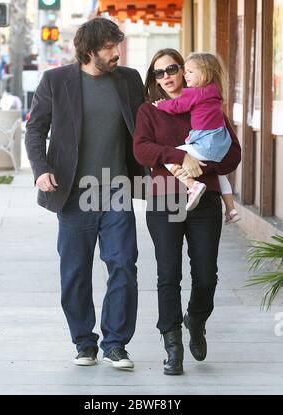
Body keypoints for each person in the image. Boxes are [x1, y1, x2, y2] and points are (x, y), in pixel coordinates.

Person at [25, 17, 145, 370]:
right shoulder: (56, 80)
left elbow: (146, 127)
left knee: (123, 263)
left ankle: (116, 344)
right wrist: (41, 169)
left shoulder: (129, 80)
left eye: (117, 45)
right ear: (90, 50)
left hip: (117, 189)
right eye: (109, 47)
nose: (116, 53)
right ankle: (83, 341)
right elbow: (35, 131)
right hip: (74, 192)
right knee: (75, 271)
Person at [133, 49, 241, 375]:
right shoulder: (150, 111)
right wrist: (179, 157)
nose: (166, 76)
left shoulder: (208, 105)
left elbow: (232, 154)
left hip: (204, 202)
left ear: (186, 70)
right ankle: (172, 345)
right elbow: (141, 150)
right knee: (168, 275)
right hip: (165, 200)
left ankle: (195, 318)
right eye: (158, 72)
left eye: (172, 69)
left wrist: (203, 163)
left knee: (206, 275)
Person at [154, 52, 240, 223]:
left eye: (190, 71)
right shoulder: (214, 91)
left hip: (205, 142)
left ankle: (192, 184)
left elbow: (177, 106)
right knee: (220, 174)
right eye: (186, 71)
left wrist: (161, 104)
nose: (186, 74)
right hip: (221, 142)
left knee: (171, 155)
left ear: (205, 73)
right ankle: (231, 210)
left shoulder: (193, 93)